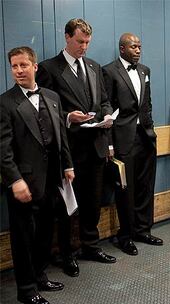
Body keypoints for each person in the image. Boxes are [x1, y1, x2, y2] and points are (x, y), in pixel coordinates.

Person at [36, 18, 116, 277]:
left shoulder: (93, 66)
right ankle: (66, 253)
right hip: (68, 150)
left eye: (88, 42)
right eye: (80, 41)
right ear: (67, 37)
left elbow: (104, 100)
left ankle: (91, 246)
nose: (84, 47)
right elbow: (43, 112)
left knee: (92, 201)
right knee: (66, 206)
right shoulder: (49, 68)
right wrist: (69, 117)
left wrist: (106, 117)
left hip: (96, 146)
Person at [0, 46, 74, 304]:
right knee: (23, 238)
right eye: (14, 66)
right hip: (23, 183)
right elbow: (2, 148)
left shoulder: (52, 96)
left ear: (35, 67)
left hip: (52, 179)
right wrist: (15, 180)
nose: (18, 70)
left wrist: (68, 166)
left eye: (23, 65)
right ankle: (27, 290)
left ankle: (41, 276)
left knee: (44, 232)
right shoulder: (5, 102)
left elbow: (60, 135)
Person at [102, 33, 163, 255]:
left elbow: (146, 104)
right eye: (133, 46)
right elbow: (105, 107)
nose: (138, 50)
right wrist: (109, 144)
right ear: (122, 49)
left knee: (146, 185)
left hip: (145, 136)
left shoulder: (145, 70)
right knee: (125, 189)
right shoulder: (109, 71)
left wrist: (151, 128)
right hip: (122, 138)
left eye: (139, 46)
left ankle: (143, 230)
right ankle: (125, 236)